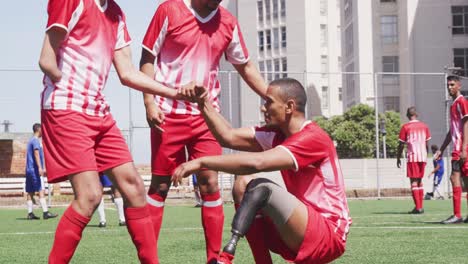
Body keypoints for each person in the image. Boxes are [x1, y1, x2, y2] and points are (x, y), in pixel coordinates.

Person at [38, 0, 194, 262]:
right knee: (90, 195)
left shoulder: (116, 13)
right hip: (67, 108)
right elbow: (46, 59)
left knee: (134, 188)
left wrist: (176, 93)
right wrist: (68, 86)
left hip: (99, 111)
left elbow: (128, 73)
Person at [139, 0, 267, 262]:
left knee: (210, 183)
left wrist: (270, 96)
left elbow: (246, 65)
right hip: (167, 114)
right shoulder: (169, 10)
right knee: (161, 186)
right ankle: (148, 260)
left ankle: (214, 259)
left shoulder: (228, 22)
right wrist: (149, 102)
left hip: (207, 116)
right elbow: (147, 59)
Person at [172, 78, 351, 264]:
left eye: (269, 102)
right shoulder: (277, 135)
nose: (263, 108)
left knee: (261, 187)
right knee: (242, 185)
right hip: (300, 227)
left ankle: (227, 258)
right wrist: (203, 103)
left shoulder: (313, 138)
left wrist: (201, 162)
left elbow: (257, 163)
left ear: (289, 106)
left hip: (329, 234)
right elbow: (228, 137)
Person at [434, 75, 468, 224]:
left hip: (462, 147)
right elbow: (452, 131)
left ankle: (457, 215)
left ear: (459, 85)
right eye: (448, 85)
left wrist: (465, 147)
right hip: (457, 147)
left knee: (455, 178)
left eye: (452, 84)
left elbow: (467, 124)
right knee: (461, 179)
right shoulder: (453, 104)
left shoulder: (461, 102)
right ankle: (458, 214)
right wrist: (441, 149)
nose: (449, 87)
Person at [396, 107, 431, 214]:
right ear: (417, 114)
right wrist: (426, 155)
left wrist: (398, 157)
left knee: (413, 181)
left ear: (407, 115)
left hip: (413, 157)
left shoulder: (406, 127)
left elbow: (401, 144)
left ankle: (418, 207)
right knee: (420, 181)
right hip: (423, 156)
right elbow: (427, 143)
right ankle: (420, 206)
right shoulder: (424, 126)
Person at [24, 123, 58, 220]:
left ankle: (30, 214)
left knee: (30, 191)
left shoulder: (30, 141)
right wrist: (40, 167)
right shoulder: (35, 141)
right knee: (41, 190)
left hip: (29, 170)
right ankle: (45, 212)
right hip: (35, 170)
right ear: (39, 129)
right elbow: (36, 153)